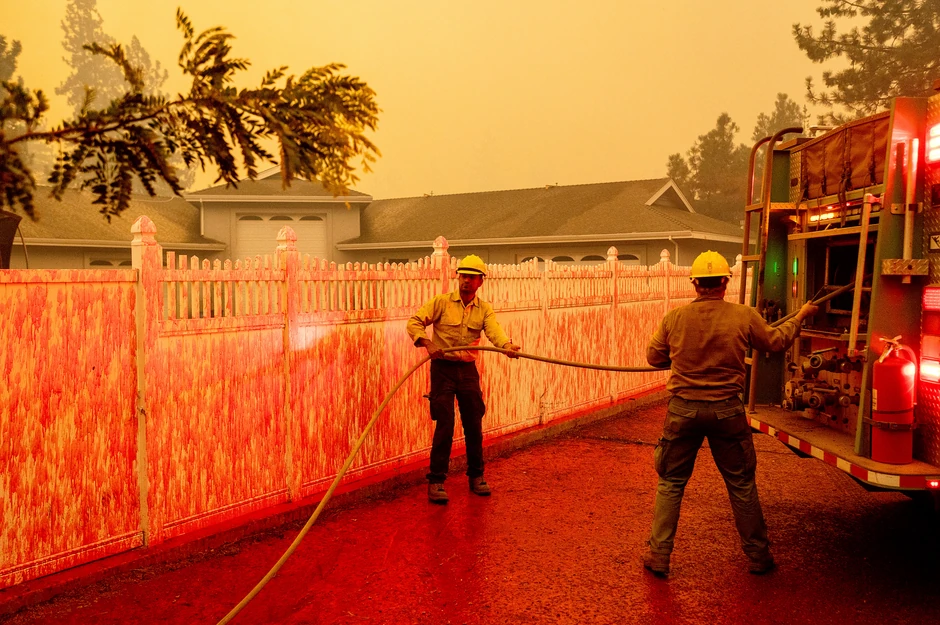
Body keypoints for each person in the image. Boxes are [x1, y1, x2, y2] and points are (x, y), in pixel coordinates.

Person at [643, 250, 818, 576]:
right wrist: (801, 316)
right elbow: (775, 341)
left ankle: (659, 556)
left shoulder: (674, 318)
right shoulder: (744, 316)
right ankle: (759, 557)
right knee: (741, 485)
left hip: (683, 412)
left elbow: (655, 357)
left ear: (695, 283)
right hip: (727, 412)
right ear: (725, 283)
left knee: (671, 483)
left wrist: (681, 357)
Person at [406, 254, 521, 504]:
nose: (466, 281)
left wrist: (507, 346)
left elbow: (495, 332)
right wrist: (427, 343)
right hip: (442, 369)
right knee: (445, 424)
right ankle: (436, 481)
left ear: (481, 282)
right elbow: (415, 322)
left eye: (471, 277)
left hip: (467, 371)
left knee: (473, 423)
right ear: (458, 277)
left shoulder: (484, 309)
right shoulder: (441, 302)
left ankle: (476, 477)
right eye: (463, 276)